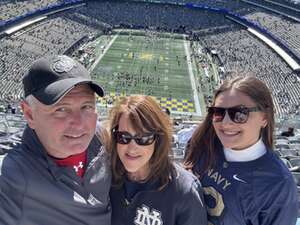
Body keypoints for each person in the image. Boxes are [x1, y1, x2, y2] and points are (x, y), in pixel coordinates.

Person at [0, 55, 111, 225]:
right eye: (61, 109)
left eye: (86, 106)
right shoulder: (10, 176)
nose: (79, 123)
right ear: (29, 114)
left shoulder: (108, 141)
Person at [184, 76, 298, 225]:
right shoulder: (200, 145)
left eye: (239, 114)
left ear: (265, 117)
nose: (225, 123)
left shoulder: (278, 183)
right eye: (218, 112)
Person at [106, 95, 207, 225]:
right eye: (123, 137)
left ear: (158, 139)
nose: (132, 148)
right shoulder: (104, 176)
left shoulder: (185, 191)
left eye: (143, 139)